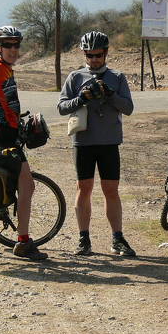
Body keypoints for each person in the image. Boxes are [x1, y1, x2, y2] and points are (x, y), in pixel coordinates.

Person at [0, 25, 48, 261]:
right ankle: (23, 241)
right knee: (27, 185)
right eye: (8, 45)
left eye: (16, 45)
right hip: (4, 135)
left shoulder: (5, 68)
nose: (13, 49)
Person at [57, 30, 135, 256]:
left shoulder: (117, 77)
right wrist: (81, 98)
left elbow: (128, 108)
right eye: (89, 55)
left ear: (106, 53)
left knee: (111, 190)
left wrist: (111, 95)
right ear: (84, 54)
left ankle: (117, 238)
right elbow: (61, 107)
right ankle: (84, 239)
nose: (93, 60)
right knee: (84, 189)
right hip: (83, 142)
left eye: (98, 55)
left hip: (109, 142)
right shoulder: (75, 77)